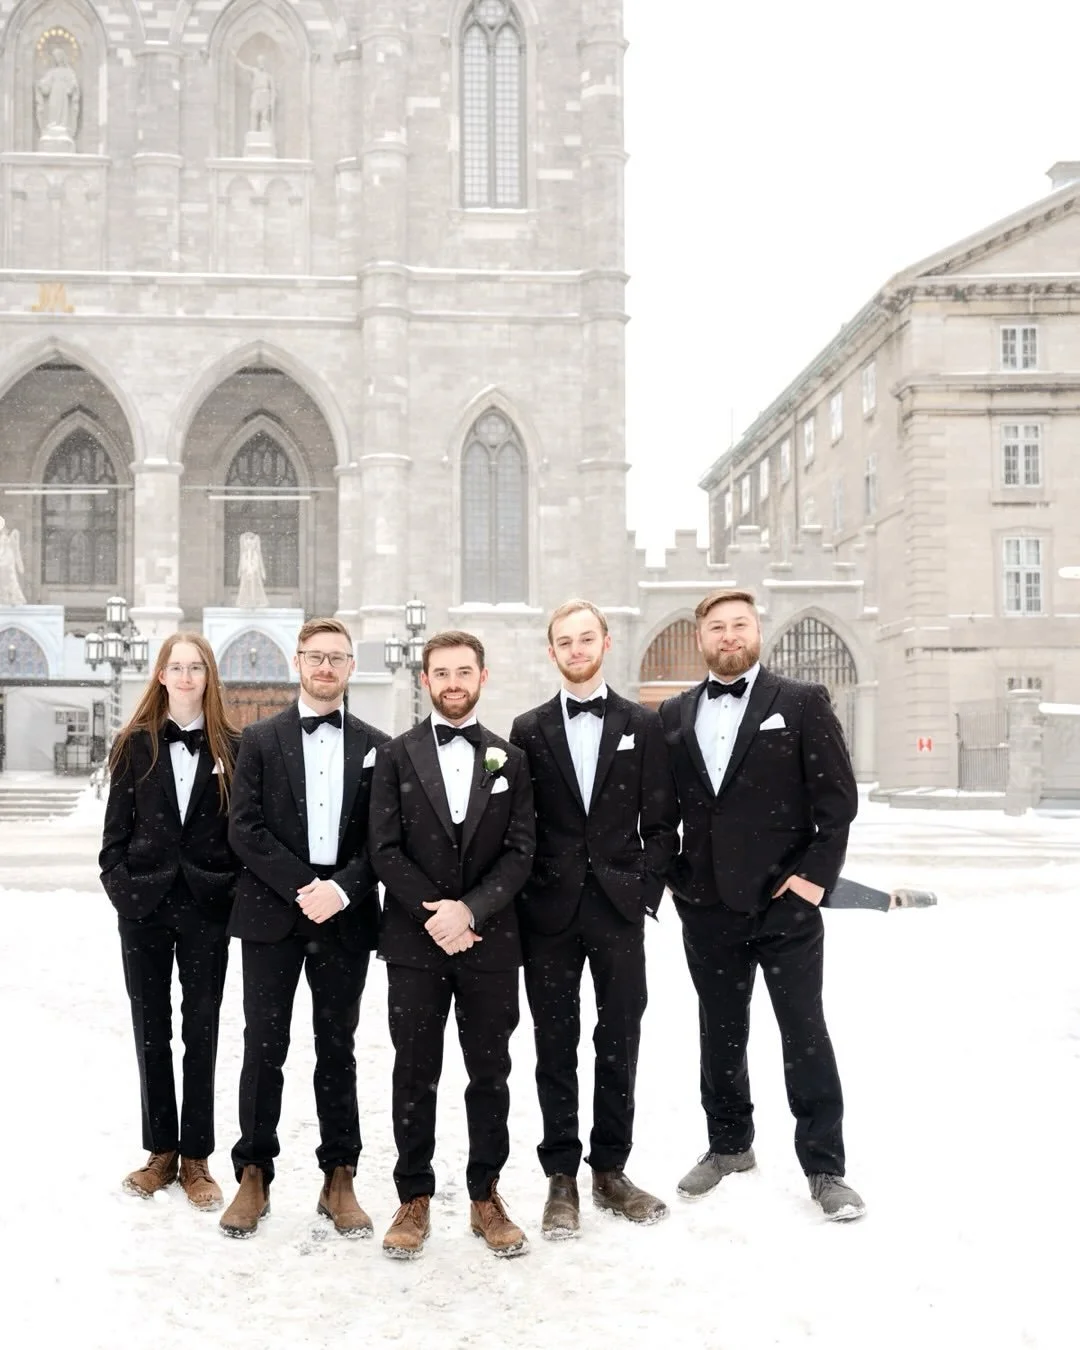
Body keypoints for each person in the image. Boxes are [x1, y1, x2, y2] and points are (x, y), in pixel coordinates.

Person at [658, 589, 865, 1221]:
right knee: (720, 1030)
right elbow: (660, 812)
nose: (728, 636)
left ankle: (826, 1167)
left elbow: (837, 803)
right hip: (707, 907)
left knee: (804, 1031)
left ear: (757, 631)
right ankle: (729, 1145)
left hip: (786, 906)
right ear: (701, 638)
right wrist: (676, 879)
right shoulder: (673, 714)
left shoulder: (801, 703)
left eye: (739, 625)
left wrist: (812, 881)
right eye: (716, 627)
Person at [509, 600, 678, 1239]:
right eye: (565, 641)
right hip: (548, 912)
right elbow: (519, 824)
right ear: (551, 651)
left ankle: (610, 1170)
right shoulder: (527, 729)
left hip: (617, 909)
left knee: (619, 1040)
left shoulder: (643, 724)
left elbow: (662, 823)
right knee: (554, 1045)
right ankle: (561, 1176)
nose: (576, 650)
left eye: (586, 638)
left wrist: (640, 891)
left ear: (605, 643)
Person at [219, 617, 388, 1238]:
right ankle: (253, 1172)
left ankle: (339, 1175)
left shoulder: (378, 745)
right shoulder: (259, 739)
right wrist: (303, 886)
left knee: (337, 1048)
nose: (325, 667)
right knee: (264, 1045)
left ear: (351, 666)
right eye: (315, 657)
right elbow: (245, 828)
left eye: (336, 658)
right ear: (297, 662)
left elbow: (383, 838)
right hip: (272, 914)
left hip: (344, 919)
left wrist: (339, 889)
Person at [369, 631, 535, 1259]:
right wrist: (436, 914)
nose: (453, 682)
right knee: (414, 1071)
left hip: (490, 942)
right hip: (415, 943)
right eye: (441, 672)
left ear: (482, 677)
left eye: (464, 671)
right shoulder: (395, 755)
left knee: (490, 1073)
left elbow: (521, 851)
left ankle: (485, 1195)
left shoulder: (510, 759)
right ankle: (413, 1196)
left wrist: (471, 910)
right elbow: (383, 848)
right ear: (426, 680)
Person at [100, 633, 240, 1210]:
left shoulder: (234, 747)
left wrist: (227, 890)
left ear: (209, 677)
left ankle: (197, 1157)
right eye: (176, 667)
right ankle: (161, 1151)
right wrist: (124, 892)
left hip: (207, 907)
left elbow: (242, 833)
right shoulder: (133, 745)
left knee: (202, 1030)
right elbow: (113, 837)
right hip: (145, 908)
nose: (185, 676)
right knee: (150, 1030)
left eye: (196, 667)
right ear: (160, 676)